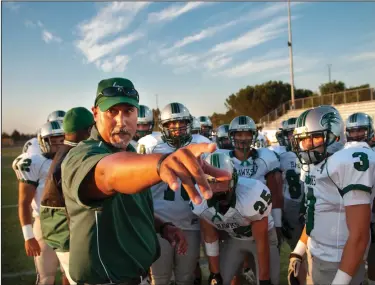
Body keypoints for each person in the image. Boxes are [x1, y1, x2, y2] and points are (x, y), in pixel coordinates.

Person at [61, 77, 230, 285]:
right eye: (112, 111)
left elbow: (130, 207)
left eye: (128, 111)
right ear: (95, 113)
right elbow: (108, 174)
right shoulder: (82, 154)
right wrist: (161, 163)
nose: (121, 121)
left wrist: (161, 226)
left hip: (136, 276)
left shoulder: (131, 150)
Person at [288, 106, 375, 285]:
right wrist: (299, 250)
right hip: (316, 253)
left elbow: (359, 235)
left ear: (333, 136)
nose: (306, 146)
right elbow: (315, 212)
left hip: (340, 260)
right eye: (303, 140)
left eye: (315, 138)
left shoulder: (346, 162)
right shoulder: (315, 165)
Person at [137, 102, 210, 285]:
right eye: (171, 124)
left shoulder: (202, 144)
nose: (177, 127)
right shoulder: (151, 144)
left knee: (186, 277)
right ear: (163, 126)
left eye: (181, 122)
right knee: (160, 278)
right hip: (160, 222)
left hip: (191, 221)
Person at [192, 152, 274, 285]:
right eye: (212, 182)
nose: (218, 188)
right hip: (235, 239)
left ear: (234, 179)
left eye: (222, 182)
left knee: (270, 280)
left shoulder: (251, 194)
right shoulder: (199, 200)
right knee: (220, 280)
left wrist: (264, 279)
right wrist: (214, 273)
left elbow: (261, 240)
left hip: (263, 238)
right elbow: (210, 236)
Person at [40, 107, 95, 285]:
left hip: (59, 231)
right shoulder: (75, 155)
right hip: (68, 234)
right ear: (88, 130)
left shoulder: (64, 151)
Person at [226, 115, 282, 284]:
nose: (243, 139)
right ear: (231, 136)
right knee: (231, 277)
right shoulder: (222, 159)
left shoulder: (266, 157)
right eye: (239, 134)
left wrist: (278, 225)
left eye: (247, 134)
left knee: (271, 279)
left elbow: (276, 194)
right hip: (234, 230)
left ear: (254, 135)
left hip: (264, 226)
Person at [12, 121, 66, 285]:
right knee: (46, 277)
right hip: (44, 224)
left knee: (72, 276)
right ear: (43, 142)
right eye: (53, 141)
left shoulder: (71, 159)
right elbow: (23, 202)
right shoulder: (34, 162)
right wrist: (28, 236)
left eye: (60, 140)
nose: (57, 145)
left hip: (69, 222)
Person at [345, 112, 375, 285]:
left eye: (361, 130)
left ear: (369, 130)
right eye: (352, 131)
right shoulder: (342, 153)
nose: (356, 135)